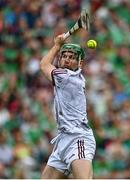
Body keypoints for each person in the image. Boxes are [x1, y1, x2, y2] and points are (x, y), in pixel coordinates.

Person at [40, 33, 96, 179]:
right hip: (63, 139)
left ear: (80, 63)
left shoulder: (66, 76)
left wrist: (57, 46)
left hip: (78, 138)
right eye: (64, 56)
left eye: (72, 57)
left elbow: (44, 65)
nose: (66, 60)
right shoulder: (67, 76)